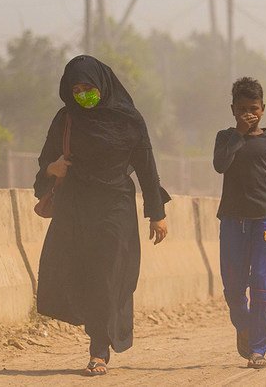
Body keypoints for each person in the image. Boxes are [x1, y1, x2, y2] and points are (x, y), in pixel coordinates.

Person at [33, 55, 170, 376]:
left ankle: (99, 348)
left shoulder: (129, 120)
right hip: (75, 208)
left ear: (103, 85)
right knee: (80, 272)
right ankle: (97, 338)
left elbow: (147, 168)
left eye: (89, 87)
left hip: (115, 207)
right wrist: (51, 169)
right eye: (76, 89)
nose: (83, 95)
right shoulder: (65, 119)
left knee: (109, 275)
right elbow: (45, 163)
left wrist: (157, 213)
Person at [213, 77, 266, 369]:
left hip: (264, 221)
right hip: (232, 222)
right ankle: (245, 327)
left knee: (262, 286)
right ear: (233, 109)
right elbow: (219, 165)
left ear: (263, 109)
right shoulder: (225, 138)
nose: (248, 114)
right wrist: (238, 133)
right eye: (242, 109)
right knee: (234, 288)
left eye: (254, 108)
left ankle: (258, 348)